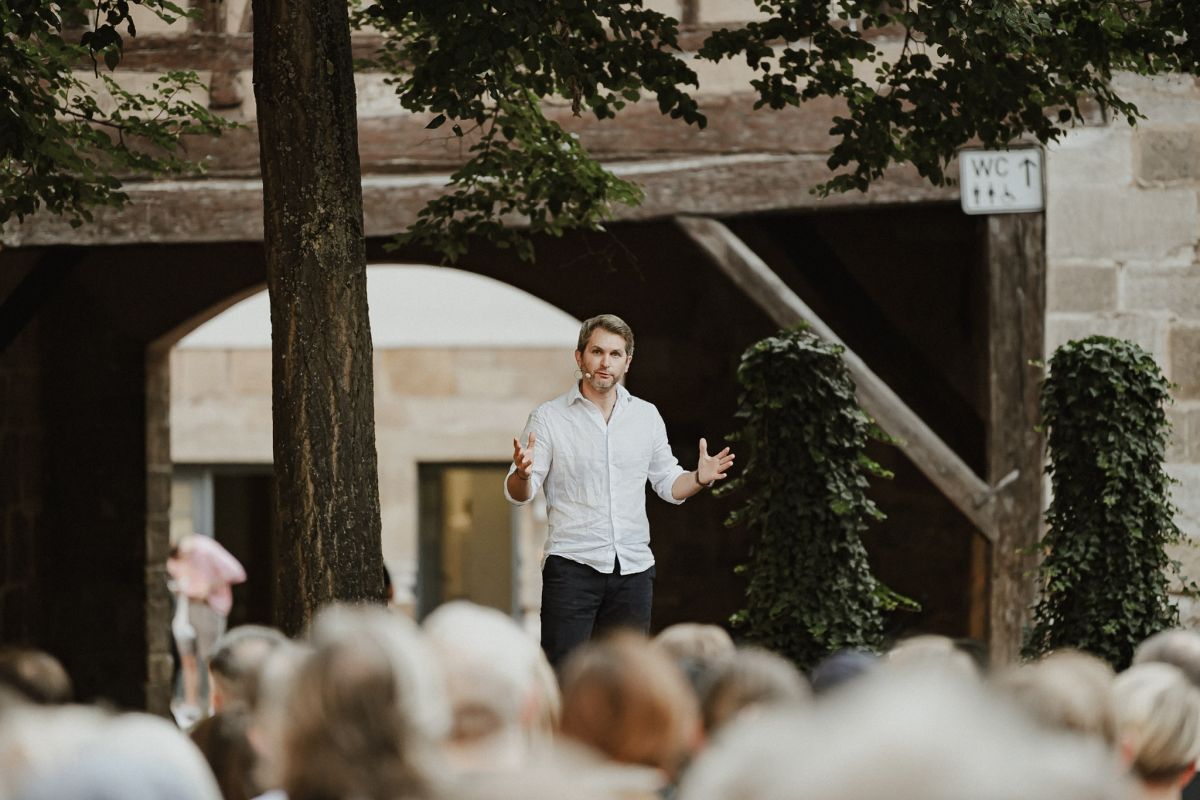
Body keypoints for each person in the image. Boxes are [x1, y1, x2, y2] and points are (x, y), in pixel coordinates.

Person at [504, 314, 735, 668]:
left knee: (628, 673)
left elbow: (669, 485)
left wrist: (699, 478)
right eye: (597, 352)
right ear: (579, 357)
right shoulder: (549, 418)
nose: (605, 362)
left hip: (633, 570)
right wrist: (522, 473)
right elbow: (521, 492)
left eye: (615, 354)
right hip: (572, 567)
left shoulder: (646, 416)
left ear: (628, 361)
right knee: (564, 671)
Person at [167, 533, 248, 724]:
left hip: (207, 608)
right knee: (188, 659)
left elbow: (237, 572)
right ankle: (191, 706)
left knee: (210, 659)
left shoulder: (204, 548)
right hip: (185, 608)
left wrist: (208, 586)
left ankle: (215, 704)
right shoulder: (174, 558)